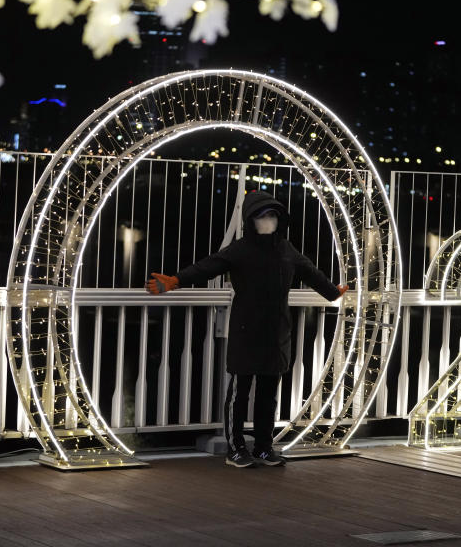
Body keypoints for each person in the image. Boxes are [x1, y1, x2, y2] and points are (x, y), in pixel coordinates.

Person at [147, 190, 347, 468]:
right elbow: (208, 266)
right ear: (251, 221)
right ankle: (236, 447)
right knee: (239, 392)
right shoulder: (240, 250)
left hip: (277, 332)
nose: (268, 221)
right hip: (246, 330)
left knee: (268, 393)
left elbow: (310, 272)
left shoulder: (286, 250)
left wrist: (332, 291)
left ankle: (264, 447)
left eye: (272, 216)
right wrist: (175, 280)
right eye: (262, 216)